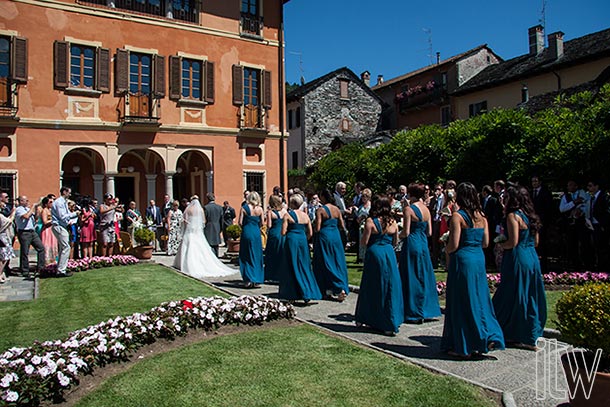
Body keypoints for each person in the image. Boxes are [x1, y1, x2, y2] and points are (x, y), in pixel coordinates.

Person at [441, 182, 505, 358]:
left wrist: (445, 245)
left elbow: (453, 245)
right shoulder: (482, 216)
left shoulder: (458, 217)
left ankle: (464, 344)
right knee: (479, 298)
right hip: (478, 259)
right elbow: (485, 243)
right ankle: (484, 336)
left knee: (462, 301)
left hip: (463, 260)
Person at [492, 186, 546, 350]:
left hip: (517, 258)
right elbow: (536, 242)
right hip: (532, 256)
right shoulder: (532, 217)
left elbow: (513, 242)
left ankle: (501, 330)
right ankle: (527, 333)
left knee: (510, 294)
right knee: (529, 294)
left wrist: (500, 244)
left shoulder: (512, 216)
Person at [354, 195, 404, 336]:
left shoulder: (371, 221)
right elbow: (395, 242)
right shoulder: (393, 222)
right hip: (388, 253)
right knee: (389, 285)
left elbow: (364, 242)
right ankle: (389, 320)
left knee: (371, 285)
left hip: (375, 253)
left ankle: (365, 317)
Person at [399, 183, 441, 324]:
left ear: (411, 194)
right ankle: (427, 309)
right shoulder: (427, 210)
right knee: (424, 274)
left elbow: (406, 232)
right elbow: (429, 232)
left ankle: (412, 310)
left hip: (412, 243)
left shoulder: (409, 210)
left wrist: (397, 236)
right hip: (423, 243)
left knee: (411, 275)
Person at [173, 196, 235, 278]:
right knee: (202, 248)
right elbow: (203, 221)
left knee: (188, 247)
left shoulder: (188, 209)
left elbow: (184, 220)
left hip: (190, 231)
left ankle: (186, 264)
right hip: (198, 232)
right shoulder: (201, 210)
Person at [279, 193, 321, 303]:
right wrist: (303, 238)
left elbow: (283, 232)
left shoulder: (288, 215)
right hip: (302, 240)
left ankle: (292, 293)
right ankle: (307, 292)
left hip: (292, 240)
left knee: (291, 265)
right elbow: (310, 233)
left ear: (292, 203)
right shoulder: (305, 216)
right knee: (304, 265)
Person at [313, 189, 349, 301]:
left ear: (323, 197)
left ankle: (335, 287)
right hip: (335, 236)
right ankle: (338, 286)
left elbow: (318, 228)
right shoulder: (337, 209)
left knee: (325, 261)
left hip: (325, 236)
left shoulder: (320, 210)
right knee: (337, 260)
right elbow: (342, 226)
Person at [559, 180, 591, 269]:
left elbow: (587, 206)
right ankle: (575, 263)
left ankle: (587, 263)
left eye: (570, 185)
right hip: (570, 223)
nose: (568, 187)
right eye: (568, 185)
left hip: (581, 223)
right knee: (572, 243)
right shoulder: (566, 196)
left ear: (576, 186)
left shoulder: (583, 194)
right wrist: (574, 202)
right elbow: (562, 209)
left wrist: (581, 211)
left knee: (584, 243)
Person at [51, 187, 79, 277]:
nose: (70, 194)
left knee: (63, 248)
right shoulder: (59, 202)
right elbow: (62, 216)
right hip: (59, 226)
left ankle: (61, 268)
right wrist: (75, 214)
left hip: (61, 226)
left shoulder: (63, 202)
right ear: (64, 192)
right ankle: (61, 270)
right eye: (69, 192)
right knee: (66, 247)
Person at [239, 191, 265, 287]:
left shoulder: (244, 208)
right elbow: (262, 223)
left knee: (246, 255)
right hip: (256, 232)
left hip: (247, 231)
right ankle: (256, 279)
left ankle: (248, 279)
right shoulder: (260, 209)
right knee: (256, 255)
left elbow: (240, 222)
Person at [15, 196, 45, 277]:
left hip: (32, 231)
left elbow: (35, 218)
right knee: (25, 252)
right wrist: (32, 207)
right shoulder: (19, 209)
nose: (28, 201)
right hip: (24, 232)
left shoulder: (28, 209)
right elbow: (26, 216)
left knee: (41, 248)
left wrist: (36, 210)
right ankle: (24, 270)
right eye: (26, 200)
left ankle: (41, 267)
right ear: (21, 201)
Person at [530, 175, 554, 272]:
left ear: (540, 182)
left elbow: (548, 208)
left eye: (536, 181)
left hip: (542, 221)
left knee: (543, 243)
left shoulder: (545, 193)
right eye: (533, 181)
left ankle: (544, 265)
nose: (534, 183)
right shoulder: (531, 193)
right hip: (532, 221)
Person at [587, 179, 609, 271]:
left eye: (590, 186)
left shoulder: (604, 196)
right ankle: (599, 266)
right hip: (594, 225)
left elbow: (606, 211)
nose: (589, 188)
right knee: (596, 247)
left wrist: (603, 225)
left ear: (596, 186)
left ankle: (603, 268)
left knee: (603, 248)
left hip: (601, 226)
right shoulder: (593, 197)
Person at [263, 195, 286, 283]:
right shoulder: (284, 211)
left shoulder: (270, 212)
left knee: (272, 254)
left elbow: (269, 225)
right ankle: (281, 274)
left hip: (274, 233)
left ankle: (271, 274)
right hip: (282, 233)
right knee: (281, 253)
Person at [428, 184, 444, 268]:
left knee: (442, 241)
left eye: (438, 189)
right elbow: (430, 209)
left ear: (442, 189)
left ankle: (442, 260)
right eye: (435, 189)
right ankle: (434, 262)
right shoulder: (432, 199)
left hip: (442, 222)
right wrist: (435, 199)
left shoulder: (444, 198)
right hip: (435, 222)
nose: (436, 191)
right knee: (434, 242)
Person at [0, 200, 16, 283]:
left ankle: (2, 273)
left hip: (4, 236)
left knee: (4, 257)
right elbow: (8, 221)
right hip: (2, 237)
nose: (4, 205)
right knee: (4, 257)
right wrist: (13, 212)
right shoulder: (0, 216)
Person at [39, 196, 58, 264]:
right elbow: (45, 222)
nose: (52, 203)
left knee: (53, 245)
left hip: (52, 229)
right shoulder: (44, 211)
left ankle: (53, 261)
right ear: (46, 204)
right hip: (47, 230)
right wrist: (53, 220)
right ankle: (46, 262)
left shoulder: (51, 210)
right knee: (47, 245)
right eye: (50, 202)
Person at [203, 192, 223, 257]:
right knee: (216, 245)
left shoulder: (206, 207)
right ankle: (216, 257)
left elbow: (204, 218)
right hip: (217, 226)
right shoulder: (219, 207)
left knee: (209, 244)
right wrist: (221, 228)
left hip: (209, 227)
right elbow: (222, 219)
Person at [355, 188, 372, 261]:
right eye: (362, 196)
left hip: (369, 226)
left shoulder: (371, 205)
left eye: (365, 196)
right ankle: (363, 258)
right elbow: (358, 218)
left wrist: (366, 217)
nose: (363, 198)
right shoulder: (361, 207)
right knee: (362, 244)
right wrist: (359, 218)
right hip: (361, 226)